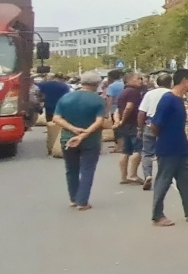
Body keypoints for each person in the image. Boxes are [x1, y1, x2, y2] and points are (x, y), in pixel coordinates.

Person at [148, 69, 188, 226]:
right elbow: (155, 124)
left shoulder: (179, 99)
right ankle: (157, 215)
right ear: (185, 81)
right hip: (168, 147)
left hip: (182, 147)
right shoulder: (168, 99)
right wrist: (164, 138)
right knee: (163, 181)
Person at [52, 71, 109, 209]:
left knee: (71, 169)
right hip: (91, 141)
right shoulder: (99, 100)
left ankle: (73, 198)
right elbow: (100, 121)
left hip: (68, 138)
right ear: (97, 84)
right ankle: (82, 201)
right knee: (87, 170)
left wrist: (73, 129)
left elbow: (56, 118)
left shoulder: (66, 98)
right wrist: (84, 133)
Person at [136, 72, 172, 190]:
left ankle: (148, 175)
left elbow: (142, 112)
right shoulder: (172, 94)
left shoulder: (149, 94)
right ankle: (163, 177)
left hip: (150, 123)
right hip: (167, 125)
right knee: (165, 152)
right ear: (170, 83)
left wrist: (140, 128)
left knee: (147, 152)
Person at [113, 72, 146, 185]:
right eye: (138, 79)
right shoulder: (133, 92)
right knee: (137, 149)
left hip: (124, 126)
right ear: (129, 80)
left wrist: (119, 121)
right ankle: (132, 174)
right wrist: (124, 119)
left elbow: (117, 110)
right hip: (133, 124)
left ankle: (123, 176)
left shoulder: (123, 92)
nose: (140, 81)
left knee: (125, 150)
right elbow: (129, 107)